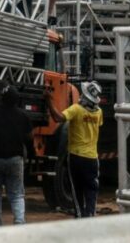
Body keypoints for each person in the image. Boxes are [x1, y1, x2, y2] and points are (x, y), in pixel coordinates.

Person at [0, 85, 35, 226]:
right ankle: (20, 223)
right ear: (17, 100)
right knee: (16, 195)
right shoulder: (23, 116)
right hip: (15, 160)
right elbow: (30, 138)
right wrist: (30, 156)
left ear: (1, 98)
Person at [45, 81, 103, 218]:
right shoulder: (99, 113)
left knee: (77, 189)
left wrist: (49, 100)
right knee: (91, 189)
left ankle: (79, 216)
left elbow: (58, 117)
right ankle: (90, 216)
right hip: (92, 158)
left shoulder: (76, 109)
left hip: (76, 157)